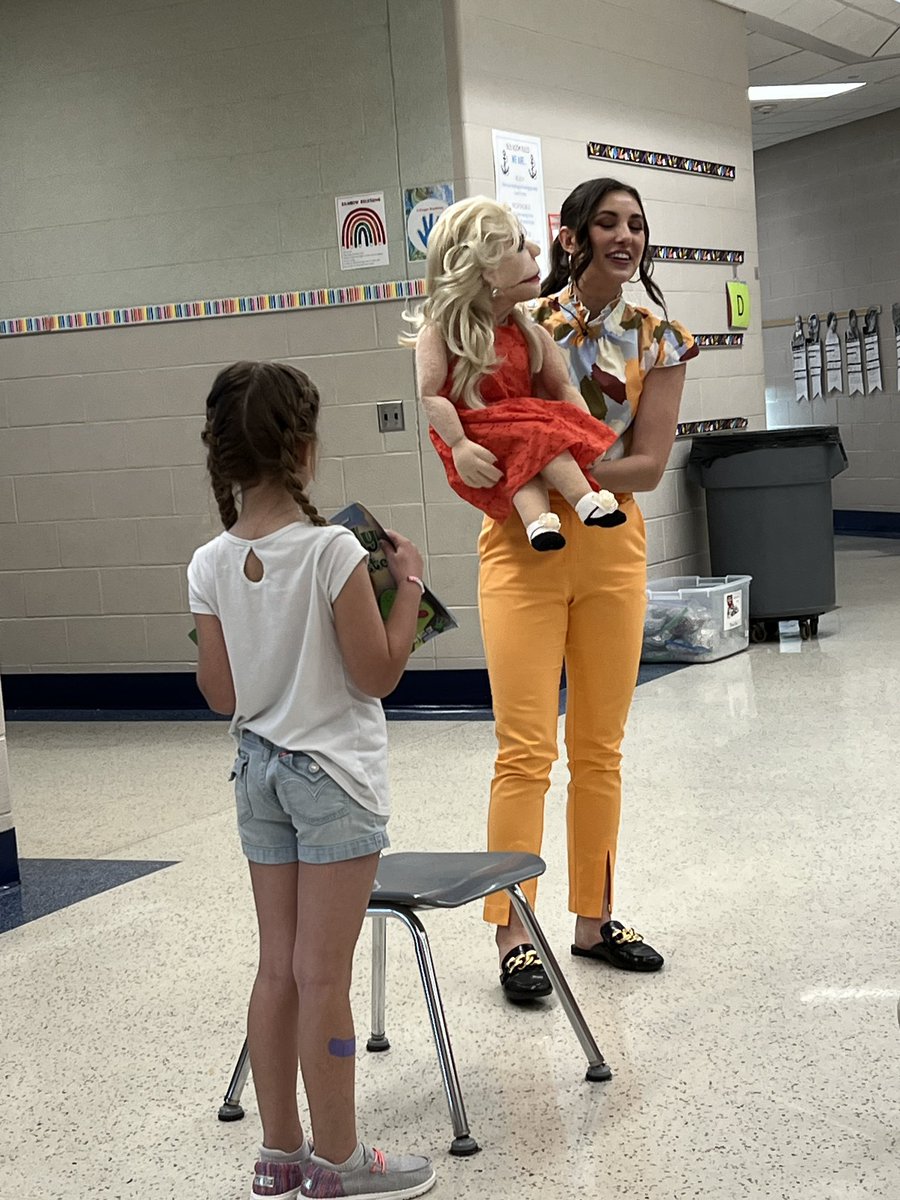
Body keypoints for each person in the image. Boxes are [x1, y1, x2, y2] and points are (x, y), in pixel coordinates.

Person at [187, 361, 436, 1199]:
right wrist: (409, 589)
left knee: (279, 970)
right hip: (333, 779)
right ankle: (339, 1162)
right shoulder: (333, 550)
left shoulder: (208, 563)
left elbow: (220, 695)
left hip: (256, 774)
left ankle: (280, 1153)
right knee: (325, 973)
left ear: (223, 456)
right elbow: (377, 674)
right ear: (304, 447)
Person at [477, 178, 699, 1000]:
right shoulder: (519, 325)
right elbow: (482, 428)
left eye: (636, 224)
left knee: (600, 750)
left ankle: (594, 921)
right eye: (606, 222)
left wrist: (565, 470)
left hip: (612, 547)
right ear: (569, 237)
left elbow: (648, 463)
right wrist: (550, 472)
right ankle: (513, 933)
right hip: (519, 546)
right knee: (524, 749)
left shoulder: (660, 336)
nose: (625, 236)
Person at [405, 195, 625, 553]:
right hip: (476, 428)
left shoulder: (529, 332)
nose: (537, 249)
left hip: (518, 424)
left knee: (531, 446)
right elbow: (431, 394)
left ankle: (540, 523)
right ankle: (584, 500)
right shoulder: (442, 333)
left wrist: (587, 432)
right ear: (485, 272)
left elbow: (563, 387)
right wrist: (459, 444)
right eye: (520, 246)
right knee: (539, 435)